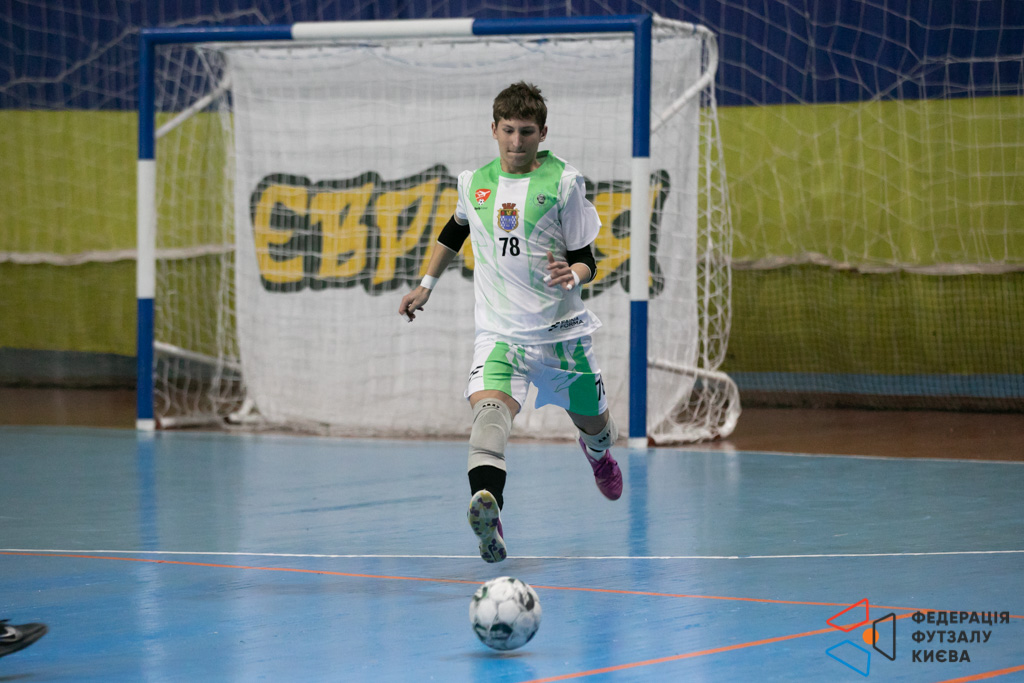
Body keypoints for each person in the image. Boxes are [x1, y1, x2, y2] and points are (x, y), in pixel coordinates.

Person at [399, 81, 622, 563]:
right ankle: (490, 514)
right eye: (508, 130)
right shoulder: (474, 182)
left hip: (561, 336)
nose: (516, 141)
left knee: (598, 427)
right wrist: (426, 285)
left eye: (526, 132)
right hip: (500, 334)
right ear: (493, 129)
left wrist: (573, 273)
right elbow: (456, 230)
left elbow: (587, 259)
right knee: (488, 417)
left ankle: (598, 454)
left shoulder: (564, 183)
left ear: (543, 133)